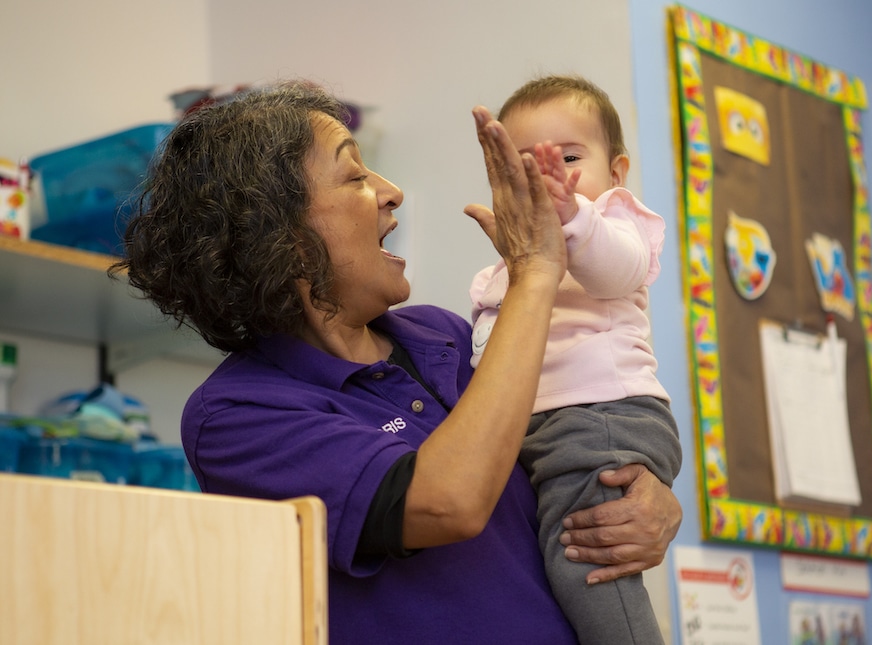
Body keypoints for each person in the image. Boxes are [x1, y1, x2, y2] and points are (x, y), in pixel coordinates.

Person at [110, 80, 681, 644]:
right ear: (275, 231)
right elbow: (447, 502)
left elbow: (570, 450)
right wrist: (535, 272)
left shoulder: (449, 337)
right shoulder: (238, 413)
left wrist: (648, 498)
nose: (392, 192)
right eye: (356, 175)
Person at [469, 75, 682, 645]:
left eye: (567, 157)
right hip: (550, 429)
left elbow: (617, 268)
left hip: (603, 418)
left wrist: (574, 218)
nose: (549, 177)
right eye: (526, 167)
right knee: (551, 559)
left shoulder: (613, 222)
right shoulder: (500, 272)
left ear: (615, 172)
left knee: (586, 565)